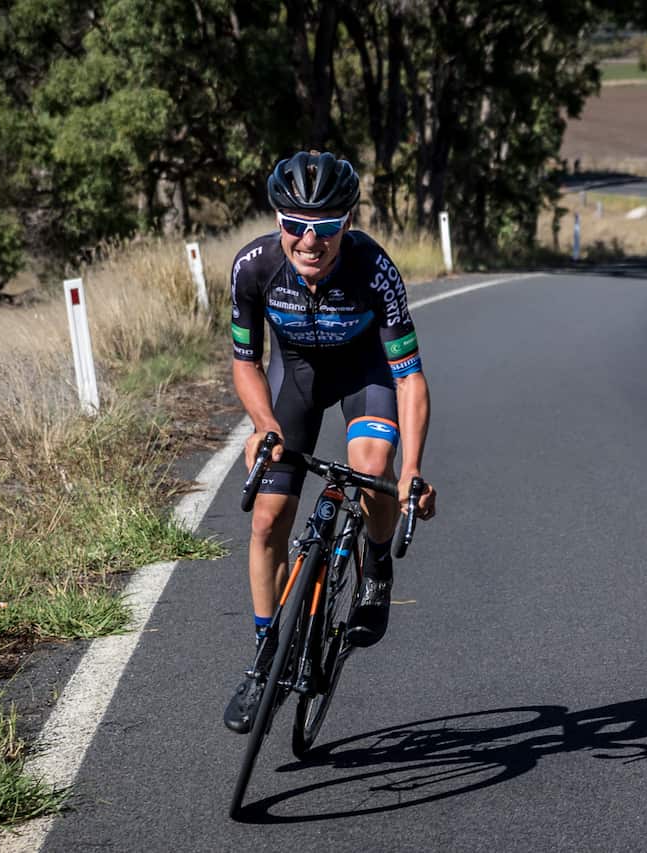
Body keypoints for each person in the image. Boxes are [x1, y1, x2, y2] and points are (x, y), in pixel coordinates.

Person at [223, 150, 437, 734]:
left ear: (348, 221)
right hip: (293, 381)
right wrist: (264, 425)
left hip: (363, 375)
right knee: (268, 518)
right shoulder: (253, 267)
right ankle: (265, 657)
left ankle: (374, 562)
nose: (309, 241)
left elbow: (408, 376)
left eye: (326, 227)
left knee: (371, 465)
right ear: (277, 219)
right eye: (295, 225)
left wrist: (412, 467)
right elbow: (245, 362)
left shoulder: (374, 268)